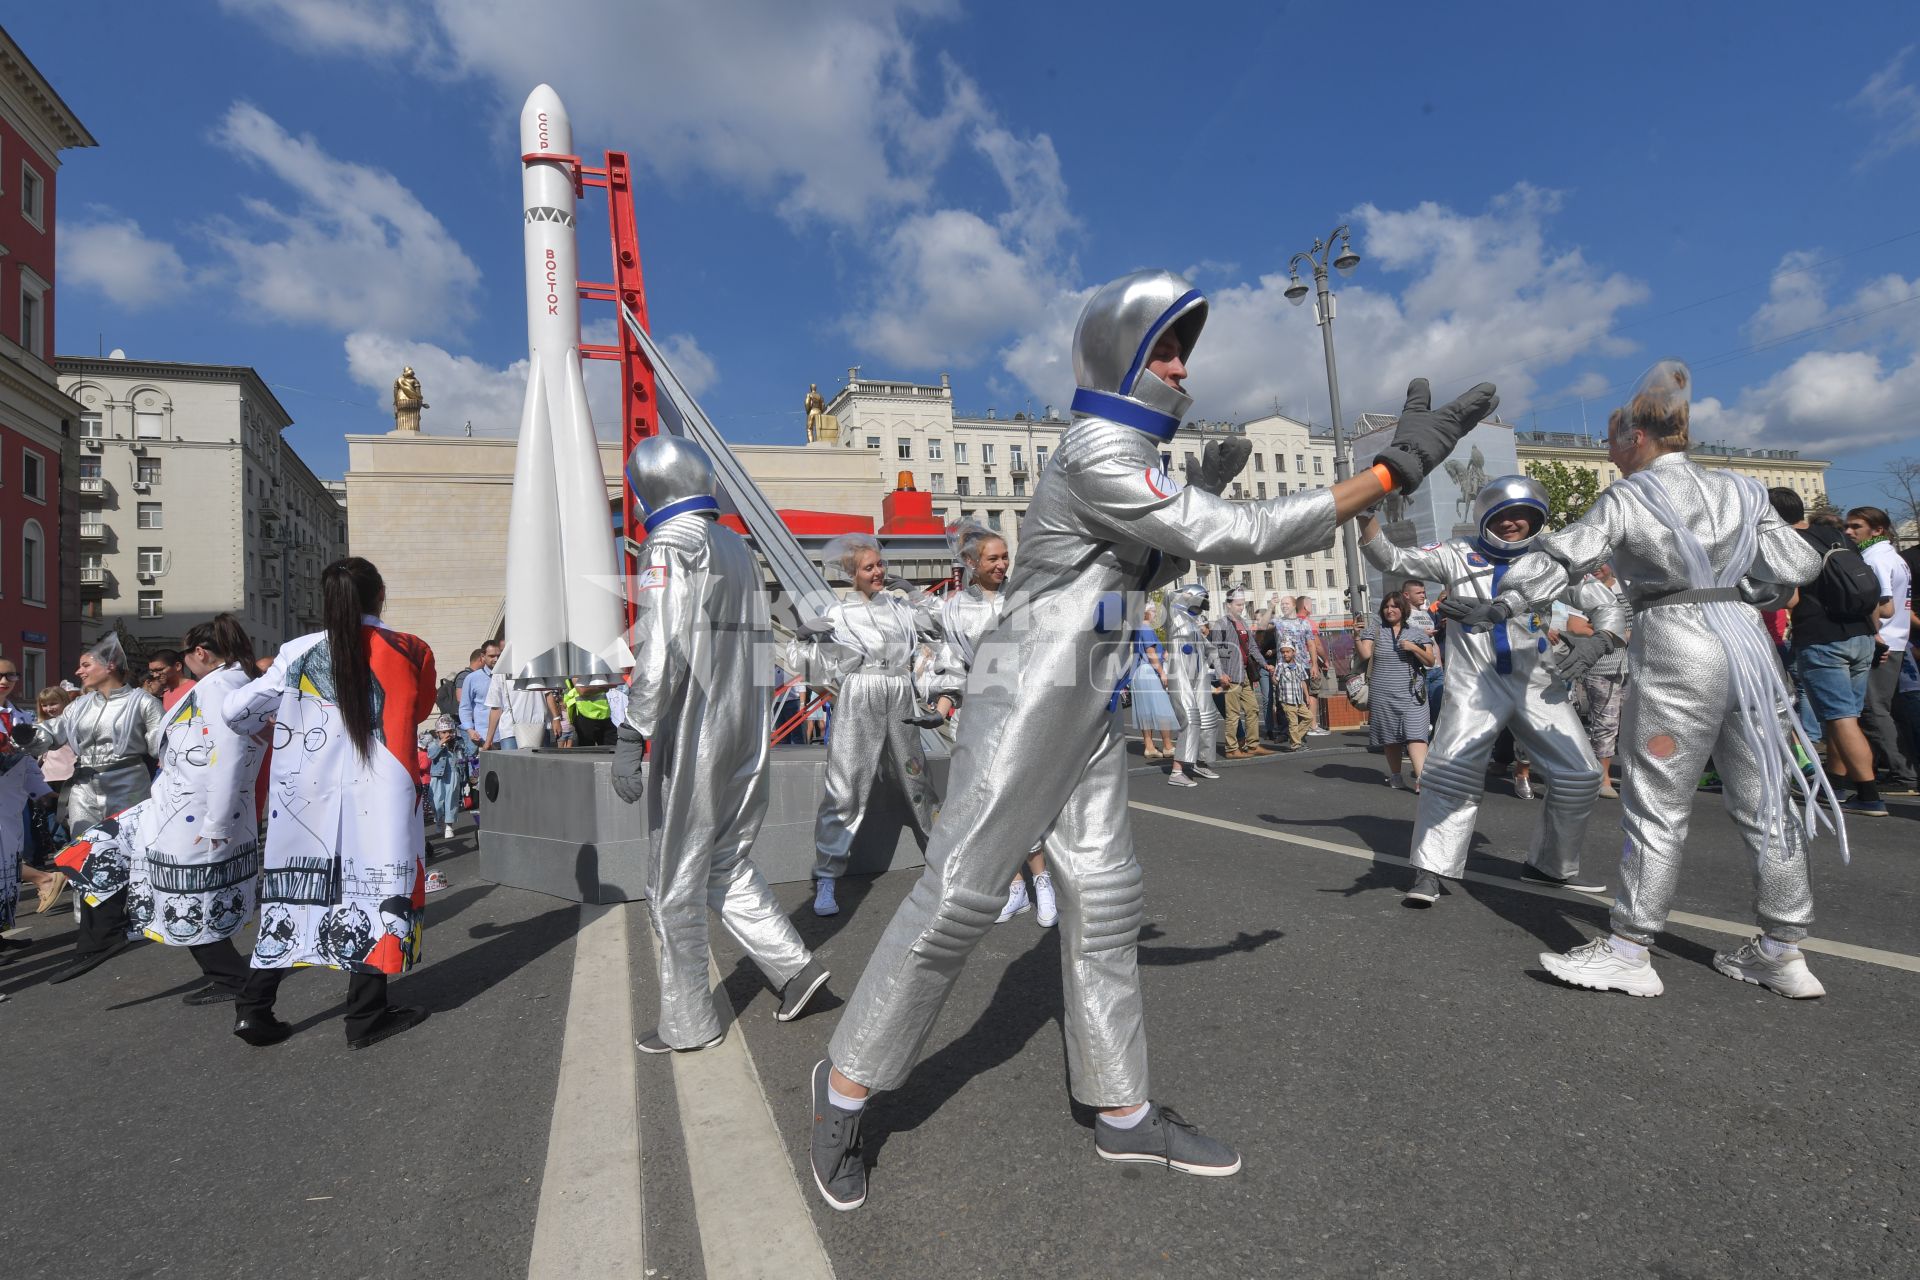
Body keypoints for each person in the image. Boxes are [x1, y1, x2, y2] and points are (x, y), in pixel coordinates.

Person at [806, 267, 1498, 1210]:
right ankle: (845, 1088)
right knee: (960, 899)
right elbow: (1238, 536)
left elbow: (1137, 569)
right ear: (1120, 356)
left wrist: (1185, 511)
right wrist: (1385, 473)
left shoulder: (1125, 455)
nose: (1182, 367)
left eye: (1184, 349)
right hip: (1026, 697)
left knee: (1104, 896)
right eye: (1165, 348)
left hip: (1085, 690)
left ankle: (1122, 1110)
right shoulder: (1097, 447)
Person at [1450, 361, 1832, 998]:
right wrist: (1745, 587)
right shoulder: (1743, 490)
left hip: (1677, 644)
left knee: (1656, 803)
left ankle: (1630, 946)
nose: (1608, 452)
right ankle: (1783, 950)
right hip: (1746, 646)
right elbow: (1797, 563)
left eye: (1611, 441)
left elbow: (1560, 557)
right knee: (1767, 796)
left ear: (1635, 438)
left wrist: (1508, 598)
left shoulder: (1630, 496)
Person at [611, 437, 831, 1051]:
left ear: (646, 487)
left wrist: (635, 728)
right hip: (745, 722)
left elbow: (663, 643)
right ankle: (796, 969)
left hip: (696, 725)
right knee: (725, 862)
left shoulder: (669, 543)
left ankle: (687, 1024)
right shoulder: (734, 546)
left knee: (673, 877)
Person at [1363, 476, 1620, 905]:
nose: (1512, 523)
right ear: (1486, 517)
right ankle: (1430, 870)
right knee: (1450, 771)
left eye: (1523, 515)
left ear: (1538, 519)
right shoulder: (1456, 554)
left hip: (1537, 682)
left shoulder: (1550, 559)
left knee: (1581, 774)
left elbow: (1606, 604)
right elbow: (1392, 558)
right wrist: (1365, 514)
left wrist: (1601, 640)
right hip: (1475, 683)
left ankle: (1549, 866)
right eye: (1502, 515)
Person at [224, 557, 437, 1048]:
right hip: (382, 791)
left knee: (293, 898)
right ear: (380, 593)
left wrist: (279, 724)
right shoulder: (409, 648)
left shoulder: (297, 651)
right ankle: (364, 1017)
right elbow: (419, 708)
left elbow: (236, 713)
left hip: (306, 797)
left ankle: (253, 1010)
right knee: (378, 895)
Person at [57, 616, 268, 1002]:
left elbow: (229, 757)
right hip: (177, 802)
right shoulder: (223, 684)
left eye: (186, 654)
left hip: (192, 810)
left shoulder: (220, 688)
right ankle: (106, 936)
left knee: (184, 897)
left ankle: (111, 936)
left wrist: (218, 822)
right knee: (94, 849)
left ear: (199, 653)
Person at [919, 520, 1057, 928]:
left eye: (1004, 557)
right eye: (993, 558)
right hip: (977, 714)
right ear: (970, 563)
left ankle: (1042, 880)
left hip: (1021, 708)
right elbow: (953, 665)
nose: (1002, 565)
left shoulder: (1023, 596)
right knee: (988, 800)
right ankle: (1015, 886)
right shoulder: (955, 609)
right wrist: (941, 709)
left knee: (1022, 796)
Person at [791, 532, 936, 917]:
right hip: (860, 693)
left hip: (900, 689)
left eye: (879, 565)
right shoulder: (838, 613)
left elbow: (937, 628)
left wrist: (915, 594)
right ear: (852, 574)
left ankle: (940, 861)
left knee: (916, 777)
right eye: (868, 567)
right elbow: (808, 660)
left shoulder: (901, 608)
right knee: (846, 783)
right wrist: (803, 640)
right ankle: (826, 877)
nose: (878, 572)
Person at [36, 633, 165, 983]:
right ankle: (90, 924)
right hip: (83, 786)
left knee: (131, 853)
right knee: (83, 853)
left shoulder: (142, 702)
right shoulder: (79, 705)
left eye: (85, 664)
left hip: (127, 782)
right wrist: (23, 736)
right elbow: (52, 732)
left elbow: (161, 744)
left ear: (110, 665)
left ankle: (138, 917)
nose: (78, 672)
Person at [1770, 491, 1882, 817]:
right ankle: (1836, 782)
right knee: (1846, 715)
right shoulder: (1837, 535)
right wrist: (1874, 633)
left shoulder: (1790, 543)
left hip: (1822, 638)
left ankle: (1869, 793)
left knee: (1840, 717)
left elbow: (1789, 600)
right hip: (1861, 633)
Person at [1845, 506, 1915, 796]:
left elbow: (1883, 604)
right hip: (1895, 639)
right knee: (1888, 710)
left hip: (1882, 641)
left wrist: (1874, 636)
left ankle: (1904, 776)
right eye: (1848, 526)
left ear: (1878, 530)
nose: (1849, 532)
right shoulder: (1891, 556)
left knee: (1874, 710)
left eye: (1856, 526)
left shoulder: (1875, 559)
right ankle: (1900, 770)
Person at [1354, 591, 1435, 793]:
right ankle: (1396, 774)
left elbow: (1430, 661)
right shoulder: (1375, 630)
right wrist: (1357, 636)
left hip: (1412, 693)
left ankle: (1422, 780)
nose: (1390, 610)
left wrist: (1414, 648)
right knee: (1390, 737)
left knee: (1417, 735)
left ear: (1403, 609)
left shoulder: (1416, 632)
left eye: (1395, 606)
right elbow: (1365, 655)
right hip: (1383, 692)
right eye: (1386, 606)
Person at [1567, 563, 1632, 799]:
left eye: (1601, 563)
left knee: (1634, 724)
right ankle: (1602, 777)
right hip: (1603, 666)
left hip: (1635, 666)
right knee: (1606, 721)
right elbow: (1574, 626)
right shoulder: (1586, 592)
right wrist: (1613, 634)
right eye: (1591, 564)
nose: (1597, 569)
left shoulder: (1627, 589)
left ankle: (1634, 775)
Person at [1164, 581, 1226, 787]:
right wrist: (1188, 593)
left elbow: (1212, 650)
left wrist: (1219, 671)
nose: (1201, 607)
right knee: (1190, 720)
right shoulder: (1174, 617)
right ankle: (1176, 771)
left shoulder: (1194, 625)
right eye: (1200, 602)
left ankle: (1199, 761)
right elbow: (1169, 596)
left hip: (1198, 678)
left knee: (1209, 719)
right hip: (1180, 676)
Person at [0, 725, 51, 963]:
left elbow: (27, 758)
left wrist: (44, 794)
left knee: (7, 877)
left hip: (7, 813)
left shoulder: (15, 719)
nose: (6, 684)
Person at [1210, 588, 1273, 758]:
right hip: (1230, 675)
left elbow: (1252, 647)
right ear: (1228, 605)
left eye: (1243, 604)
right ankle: (1231, 749)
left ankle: (1252, 745)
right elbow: (1214, 651)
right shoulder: (1221, 624)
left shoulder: (1243, 623)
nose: (1241, 608)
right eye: (1238, 604)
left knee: (1253, 709)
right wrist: (1221, 673)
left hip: (1244, 674)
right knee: (1233, 713)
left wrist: (1264, 664)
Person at [1130, 602, 1179, 759]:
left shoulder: (1138, 629)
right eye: (1152, 611)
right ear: (1145, 613)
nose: (1155, 614)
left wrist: (1161, 653)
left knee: (1145, 711)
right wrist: (1162, 672)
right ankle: (1167, 746)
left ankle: (1149, 747)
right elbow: (1151, 653)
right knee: (1162, 710)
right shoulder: (1147, 629)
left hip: (1138, 672)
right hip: (1149, 672)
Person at [1400, 579, 1446, 717]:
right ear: (1406, 595)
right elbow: (1401, 640)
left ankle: (1434, 738)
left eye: (1423, 592)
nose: (1423, 595)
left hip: (1436, 669)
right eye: (1418, 593)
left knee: (1438, 711)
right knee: (1422, 712)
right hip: (1419, 670)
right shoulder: (1404, 615)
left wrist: (1440, 666)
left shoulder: (1425, 613)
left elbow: (1433, 642)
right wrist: (1421, 634)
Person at [482, 661, 548, 752]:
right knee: (511, 765)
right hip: (510, 731)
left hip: (539, 728)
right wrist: (488, 741)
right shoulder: (500, 673)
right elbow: (496, 708)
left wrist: (555, 719)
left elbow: (548, 694)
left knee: (538, 765)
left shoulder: (536, 666)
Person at [424, 715, 465, 839]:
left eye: (450, 731)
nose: (448, 734)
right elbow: (431, 755)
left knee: (451, 799)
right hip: (437, 775)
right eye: (444, 732)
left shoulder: (458, 742)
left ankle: (449, 826)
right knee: (436, 800)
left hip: (452, 773)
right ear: (438, 733)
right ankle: (439, 820)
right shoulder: (433, 743)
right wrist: (441, 743)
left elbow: (462, 756)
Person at [1271, 639, 1312, 748]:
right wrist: (1272, 676)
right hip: (1287, 700)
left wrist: (1307, 696)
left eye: (1287, 652)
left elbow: (1303, 681)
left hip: (1299, 700)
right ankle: (1296, 744)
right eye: (1283, 652)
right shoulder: (1280, 666)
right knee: (1293, 723)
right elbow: (1276, 682)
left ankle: (1295, 736)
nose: (1285, 654)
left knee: (1309, 717)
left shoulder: (1299, 666)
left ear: (1293, 652)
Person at [458, 643, 498, 752]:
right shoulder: (472, 678)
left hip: (507, 735)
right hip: (483, 737)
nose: (496, 659)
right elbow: (465, 707)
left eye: (498, 655)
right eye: (492, 656)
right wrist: (470, 729)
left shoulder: (508, 676)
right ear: (483, 656)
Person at [563, 677, 616, 746]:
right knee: (587, 749)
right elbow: (582, 691)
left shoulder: (596, 670)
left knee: (611, 747)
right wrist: (604, 687)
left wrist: (604, 687)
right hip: (585, 713)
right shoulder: (576, 669)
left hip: (603, 713)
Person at [145, 648, 195, 712]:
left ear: (177, 666)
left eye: (160, 670)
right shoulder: (166, 693)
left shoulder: (194, 689)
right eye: (152, 671)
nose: (155, 675)